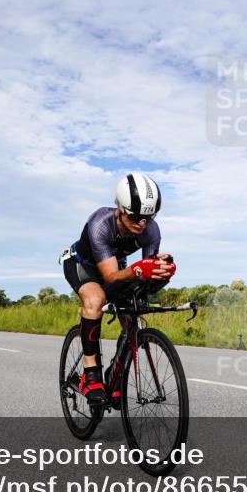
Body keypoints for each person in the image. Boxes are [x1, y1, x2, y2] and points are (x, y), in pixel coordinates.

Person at [60, 173, 176, 405]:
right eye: (135, 216)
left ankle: (115, 374)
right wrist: (138, 269)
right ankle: (90, 373)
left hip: (117, 266)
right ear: (119, 209)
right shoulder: (100, 224)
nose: (142, 223)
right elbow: (110, 277)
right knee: (95, 300)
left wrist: (160, 273)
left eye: (148, 217)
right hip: (83, 265)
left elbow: (143, 274)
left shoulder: (151, 231)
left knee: (136, 320)